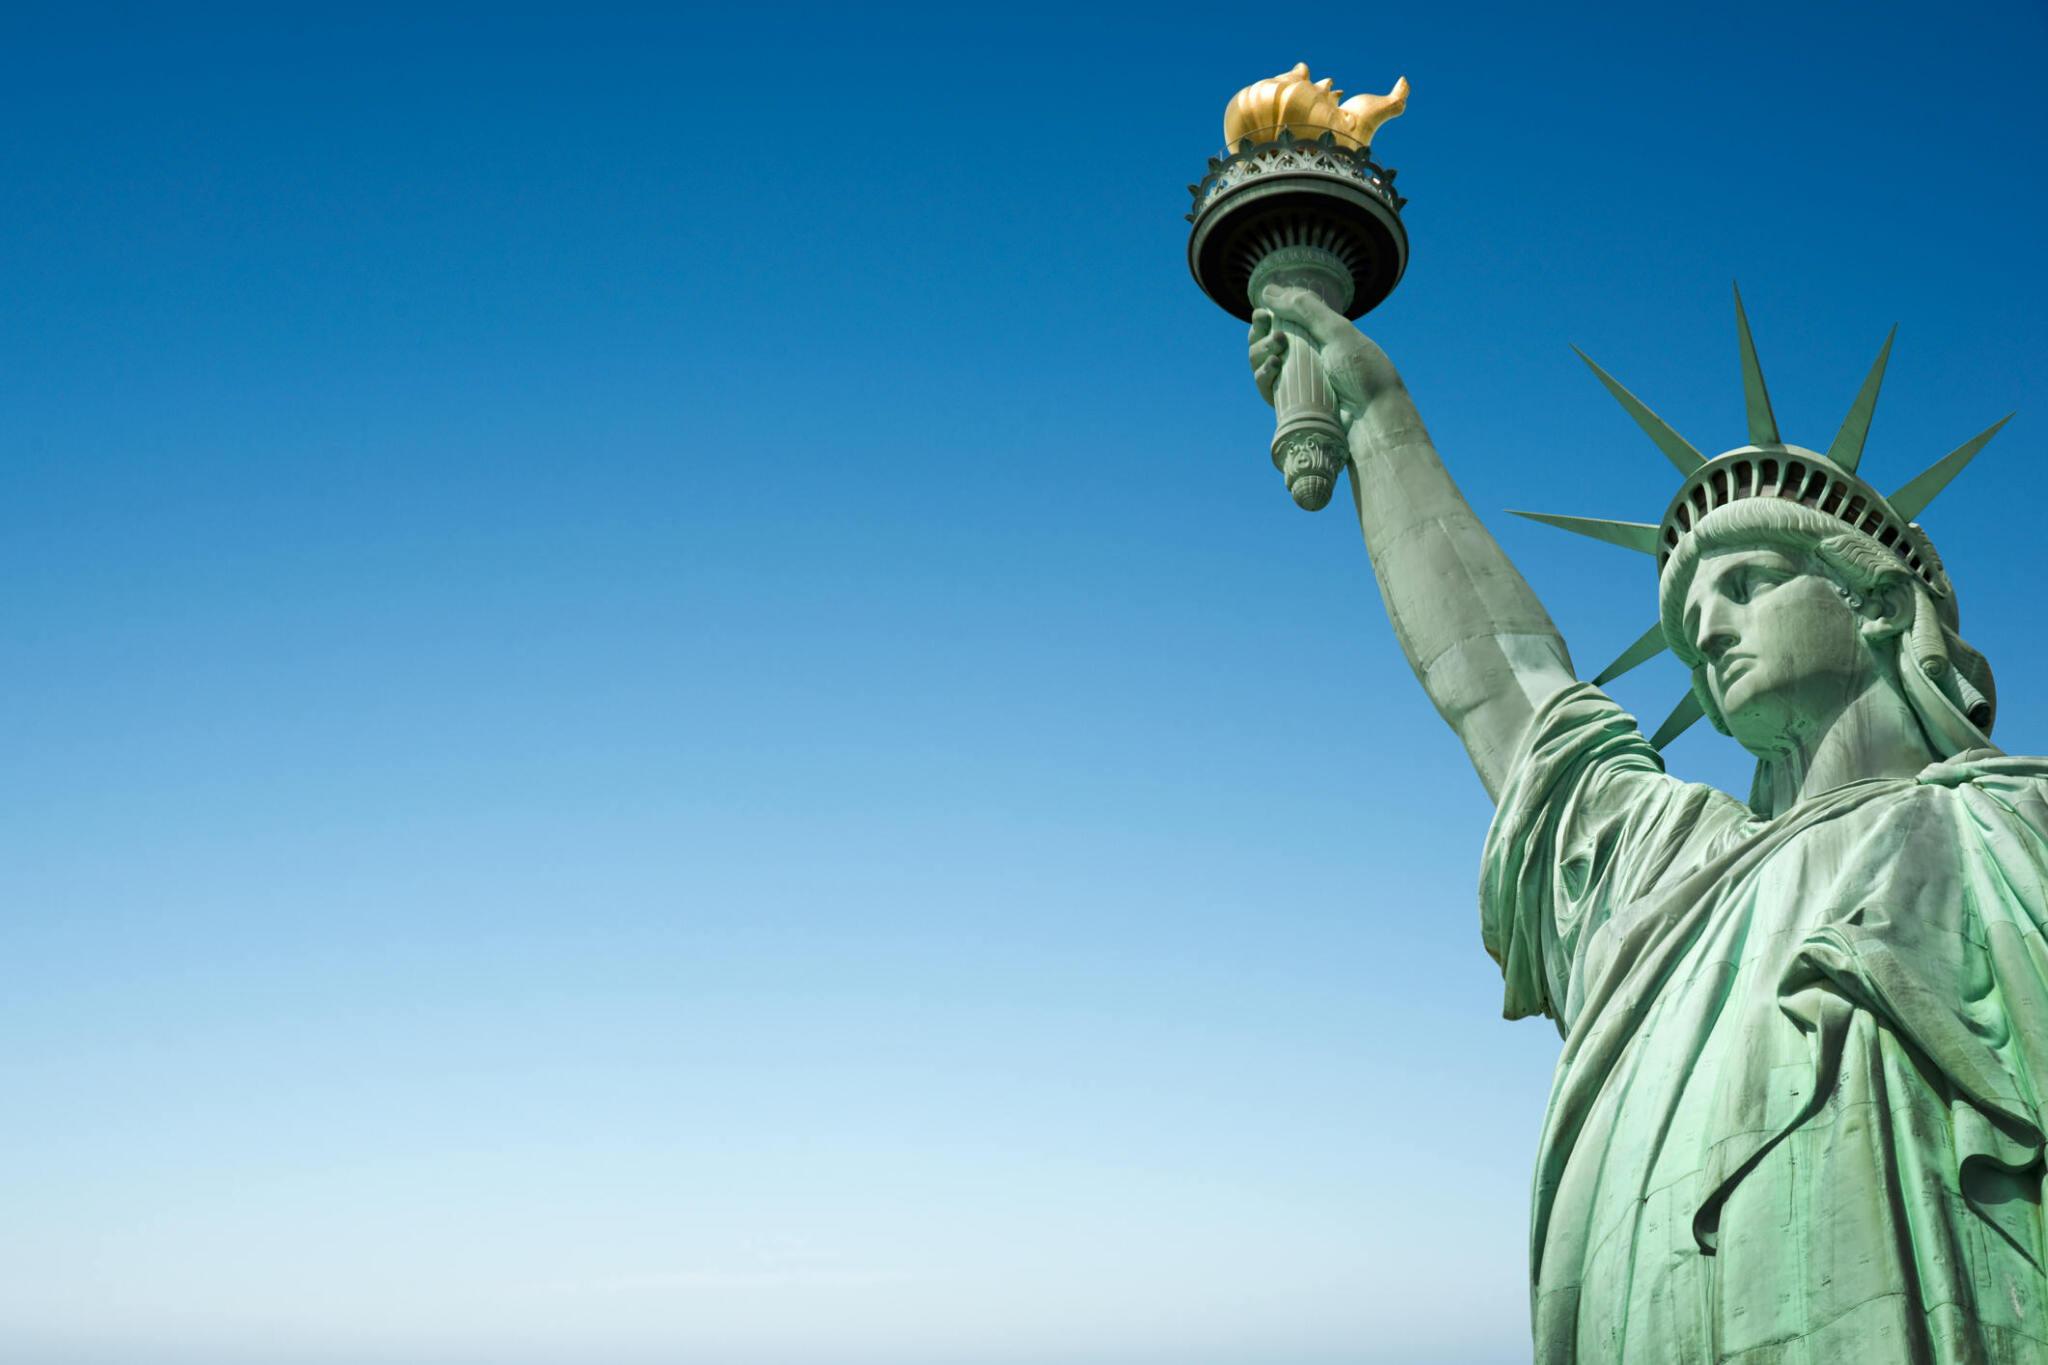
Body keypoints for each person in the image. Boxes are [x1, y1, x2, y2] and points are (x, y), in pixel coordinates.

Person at [1248, 285, 2047, 1363]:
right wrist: (1377, 419)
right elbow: (1502, 683)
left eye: (1747, 582)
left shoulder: (2023, 829)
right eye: (1686, 618)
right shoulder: (1668, 870)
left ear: (1877, 605)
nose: (1706, 628)